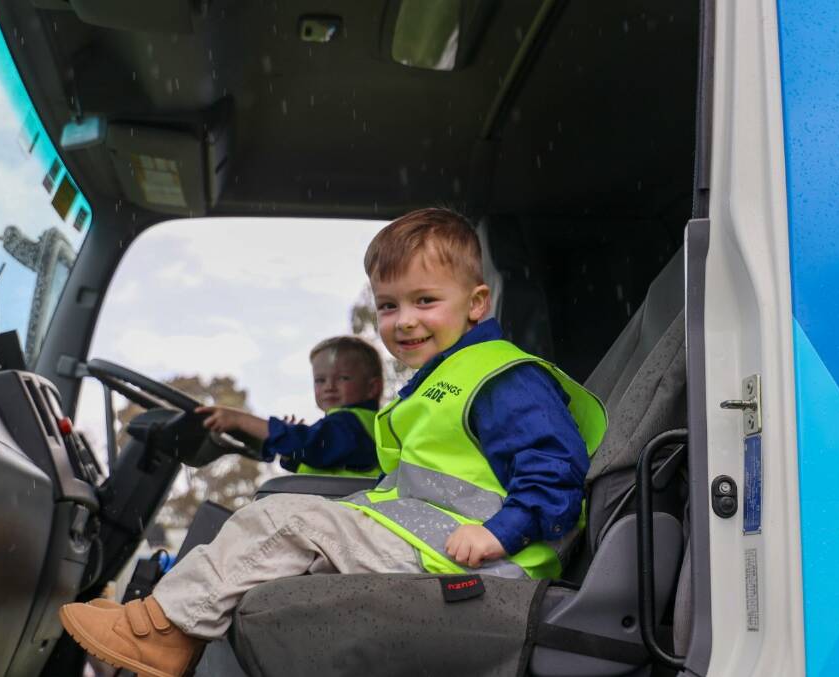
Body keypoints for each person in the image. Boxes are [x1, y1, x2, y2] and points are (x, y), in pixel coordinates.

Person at [58, 208, 607, 677]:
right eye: (389, 306)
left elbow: (555, 468)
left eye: (424, 301)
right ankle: (166, 629)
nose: (404, 321)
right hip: (433, 539)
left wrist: (498, 533)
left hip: (483, 558)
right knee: (281, 519)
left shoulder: (502, 377)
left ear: (476, 303)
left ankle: (162, 635)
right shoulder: (445, 378)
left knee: (283, 520)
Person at [196, 335, 383, 477]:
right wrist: (291, 453)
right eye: (320, 380)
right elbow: (325, 459)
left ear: (372, 387)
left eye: (343, 378)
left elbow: (313, 445)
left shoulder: (351, 424)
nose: (329, 387)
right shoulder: (351, 428)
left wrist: (239, 420)